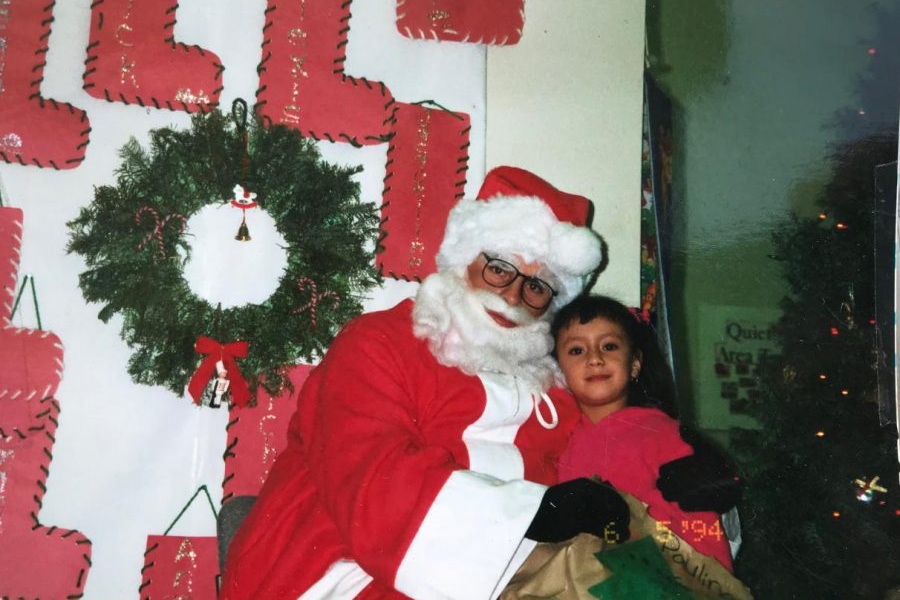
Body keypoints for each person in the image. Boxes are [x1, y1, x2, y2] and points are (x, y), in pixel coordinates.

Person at [220, 166, 739, 600]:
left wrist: (688, 465)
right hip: (341, 568)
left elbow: (624, 448)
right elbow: (375, 484)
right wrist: (536, 514)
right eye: (499, 270)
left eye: (537, 288)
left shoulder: (558, 388)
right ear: (464, 258)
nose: (514, 297)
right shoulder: (378, 343)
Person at [552, 294, 733, 571]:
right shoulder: (560, 439)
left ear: (634, 364)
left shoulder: (663, 434)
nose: (595, 359)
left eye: (609, 346)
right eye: (577, 350)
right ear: (558, 370)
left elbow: (703, 526)